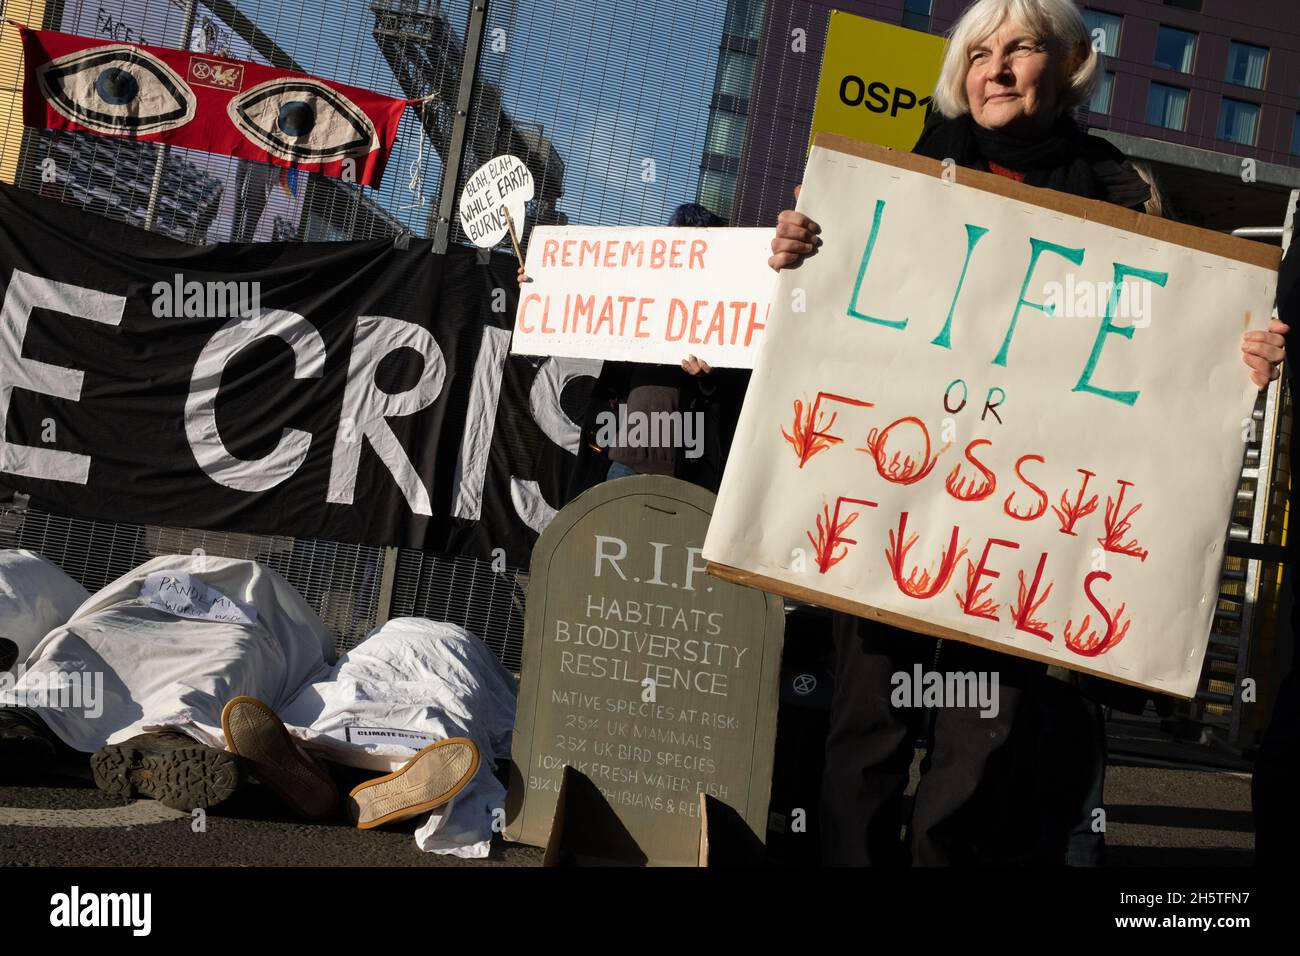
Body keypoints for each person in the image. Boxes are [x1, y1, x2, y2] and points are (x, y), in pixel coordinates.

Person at [767, 0, 1288, 866]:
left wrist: (1234, 353)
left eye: (1020, 48)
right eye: (978, 53)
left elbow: (1162, 348)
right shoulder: (893, 185)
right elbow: (829, 331)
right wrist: (795, 258)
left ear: (1071, 64)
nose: (996, 69)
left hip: (1017, 539)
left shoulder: (1126, 194)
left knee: (978, 757)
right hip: (889, 510)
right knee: (865, 737)